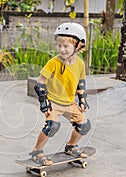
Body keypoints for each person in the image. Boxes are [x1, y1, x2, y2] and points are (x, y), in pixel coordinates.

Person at [30, 22, 91, 166]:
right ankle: (37, 151)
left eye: (66, 46)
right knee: (52, 126)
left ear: (78, 46)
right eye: (59, 45)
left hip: (69, 102)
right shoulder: (53, 62)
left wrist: (82, 99)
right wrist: (44, 102)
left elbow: (80, 83)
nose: (61, 49)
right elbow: (39, 83)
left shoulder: (80, 64)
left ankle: (71, 146)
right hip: (53, 102)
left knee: (84, 125)